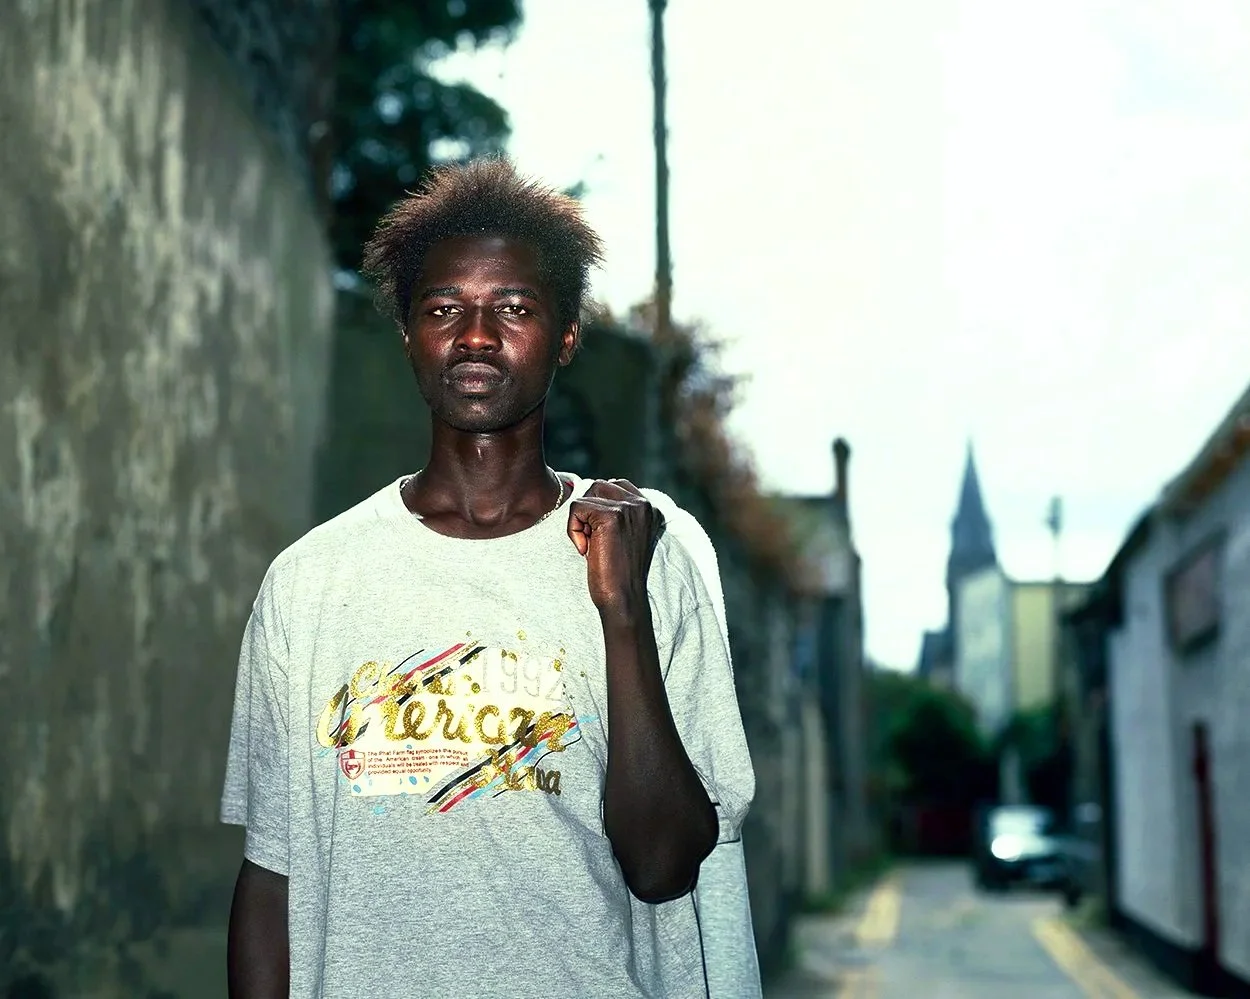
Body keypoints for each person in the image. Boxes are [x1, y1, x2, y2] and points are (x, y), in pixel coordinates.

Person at [221, 158, 756, 998]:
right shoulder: (309, 583)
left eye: (513, 308)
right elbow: (270, 877)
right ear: (409, 334)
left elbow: (664, 865)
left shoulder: (647, 557)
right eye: (444, 309)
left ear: (566, 336)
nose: (475, 335)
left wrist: (621, 610)